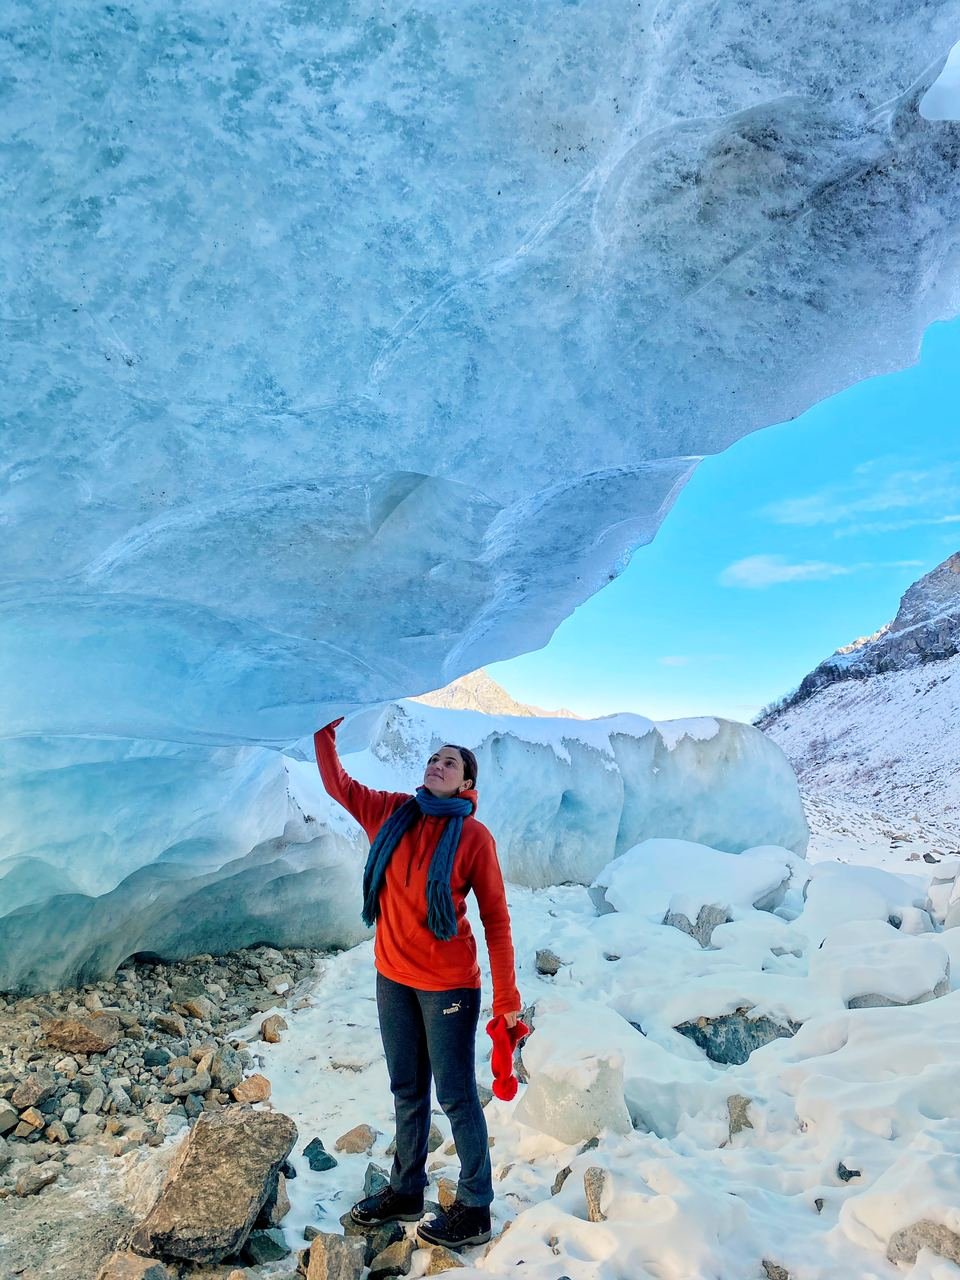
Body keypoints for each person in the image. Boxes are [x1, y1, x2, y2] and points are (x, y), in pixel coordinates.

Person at [313, 718, 521, 1251]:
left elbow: (495, 919)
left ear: (465, 783)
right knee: (407, 1089)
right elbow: (340, 785)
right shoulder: (390, 813)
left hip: (450, 986)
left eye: (449, 762)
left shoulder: (473, 837)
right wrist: (325, 729)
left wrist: (508, 997)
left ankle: (475, 1209)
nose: (437, 765)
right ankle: (406, 1190)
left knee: (454, 1096)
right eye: (434, 758)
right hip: (393, 979)